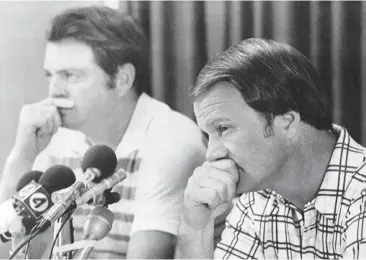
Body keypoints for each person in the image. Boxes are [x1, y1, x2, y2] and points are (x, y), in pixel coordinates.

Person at [0, 6, 206, 259]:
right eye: (50, 75)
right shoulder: (56, 138)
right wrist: (23, 155)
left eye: (71, 76)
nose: (54, 91)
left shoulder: (171, 139)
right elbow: (22, 251)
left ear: (122, 80)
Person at [176, 38, 366, 259]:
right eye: (208, 135)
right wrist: (194, 228)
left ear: (287, 122)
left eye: (224, 128)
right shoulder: (257, 199)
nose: (211, 154)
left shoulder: (361, 194)